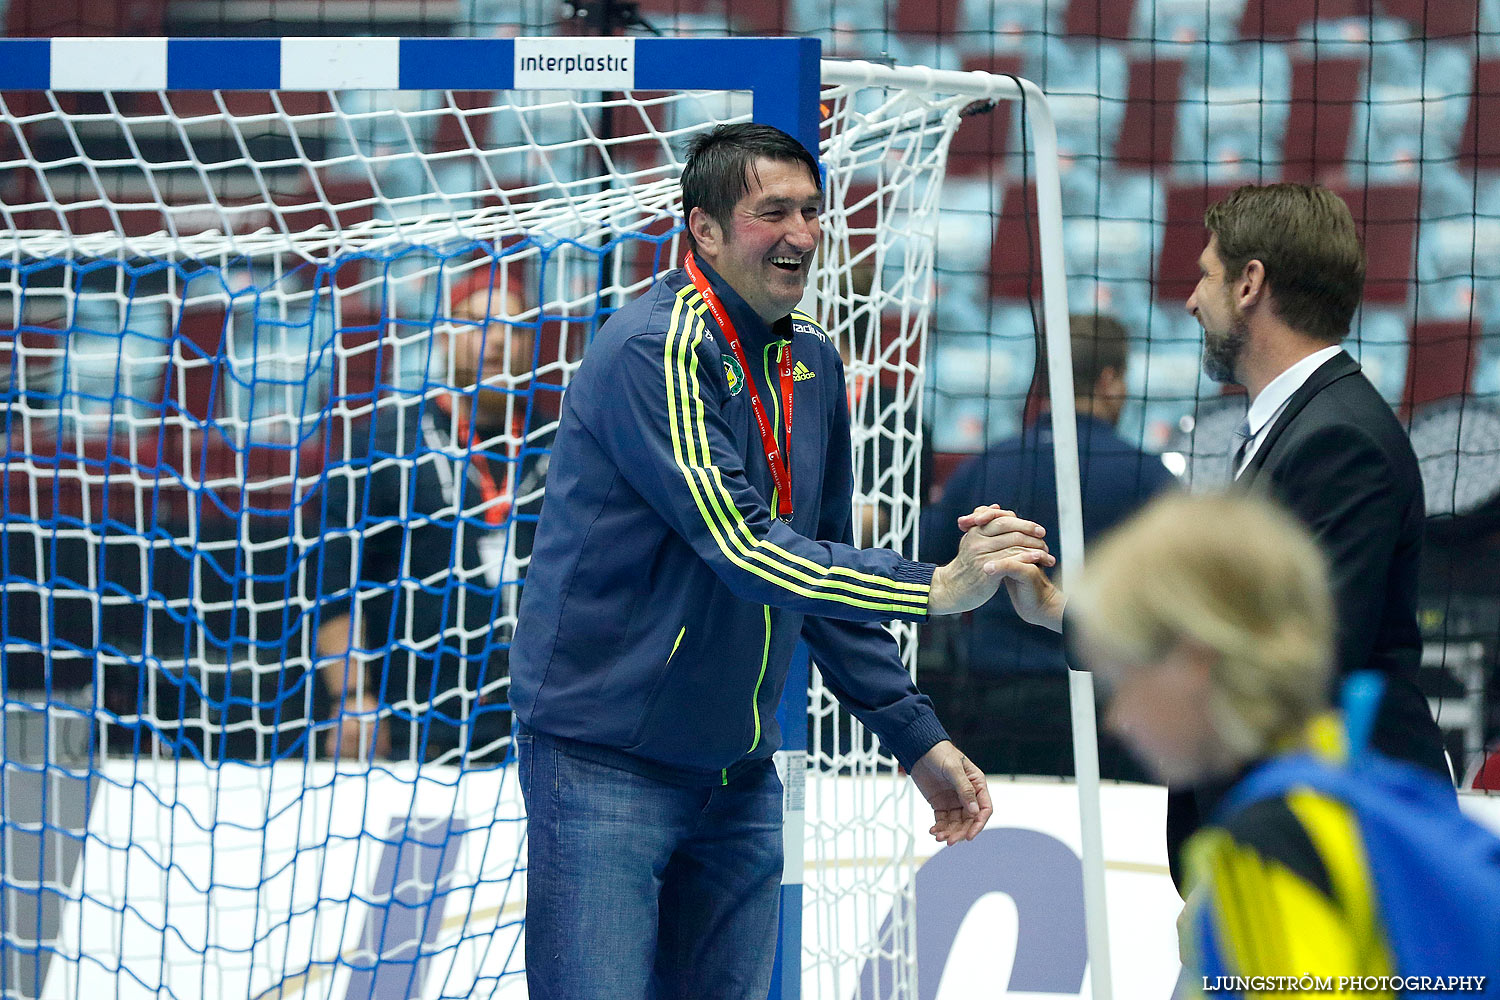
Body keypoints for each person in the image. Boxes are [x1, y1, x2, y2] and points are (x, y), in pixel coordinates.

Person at [508, 122, 1053, 1000]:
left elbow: (823, 574)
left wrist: (915, 736)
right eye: (773, 213)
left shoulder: (813, 363)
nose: (801, 233)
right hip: (606, 762)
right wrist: (939, 586)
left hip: (740, 769)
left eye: (811, 211)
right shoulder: (657, 348)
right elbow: (744, 548)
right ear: (706, 230)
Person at [1003, 182, 1450, 889]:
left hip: (1330, 847)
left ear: (1250, 284)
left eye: (1205, 273)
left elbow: (1299, 664)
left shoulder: (1339, 439)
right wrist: (1063, 610)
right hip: (1292, 836)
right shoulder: (1305, 424)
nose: (1190, 299)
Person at [1064, 491, 1500, 988]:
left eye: (1123, 679)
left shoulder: (1267, 850)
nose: (1115, 719)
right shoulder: (1377, 791)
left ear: (1196, 660)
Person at [919, 313, 1175, 779]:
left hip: (995, 703)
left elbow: (924, 565)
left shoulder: (988, 466)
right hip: (1107, 707)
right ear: (1110, 379)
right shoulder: (1149, 479)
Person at [314, 265, 539, 764]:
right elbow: (336, 582)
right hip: (418, 718)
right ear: (444, 336)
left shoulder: (562, 441)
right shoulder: (389, 439)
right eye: (478, 324)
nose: (498, 342)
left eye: (515, 328)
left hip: (540, 723)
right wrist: (350, 699)